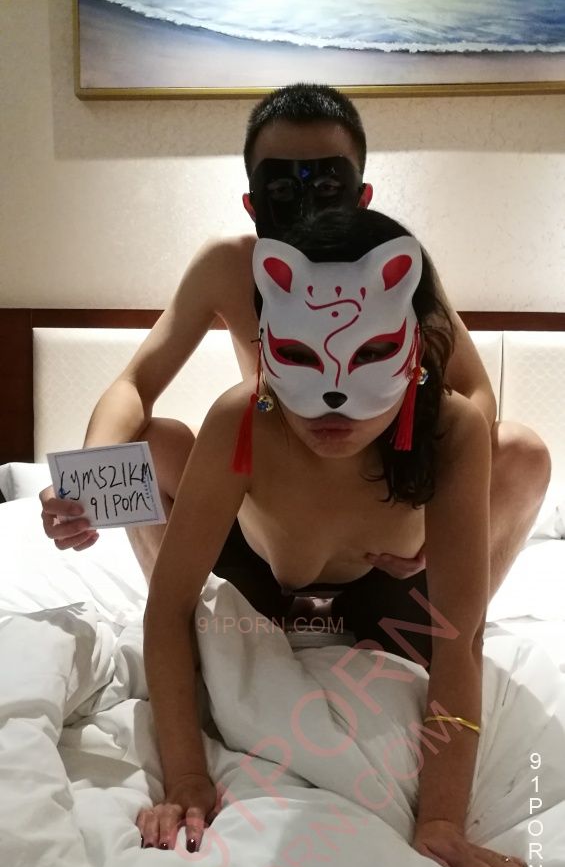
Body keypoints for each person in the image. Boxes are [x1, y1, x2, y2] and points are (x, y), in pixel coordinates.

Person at [136, 207, 528, 867]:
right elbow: (167, 607)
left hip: (383, 597)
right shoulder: (243, 415)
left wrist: (441, 819)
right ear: (265, 346)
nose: (334, 399)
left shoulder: (452, 428)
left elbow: (458, 637)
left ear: (415, 349)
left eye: (371, 353)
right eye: (299, 356)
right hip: (256, 584)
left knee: (525, 452)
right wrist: (185, 778)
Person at [39, 83, 550, 598]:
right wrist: (82, 482)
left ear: (361, 197)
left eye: (327, 186)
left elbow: (475, 392)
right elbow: (134, 383)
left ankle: (446, 617)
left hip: (381, 524)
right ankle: (182, 614)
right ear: (252, 203)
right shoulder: (228, 266)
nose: (307, 208)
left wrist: (445, 505)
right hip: (269, 517)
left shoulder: (391, 274)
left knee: (523, 453)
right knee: (150, 445)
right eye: (283, 190)